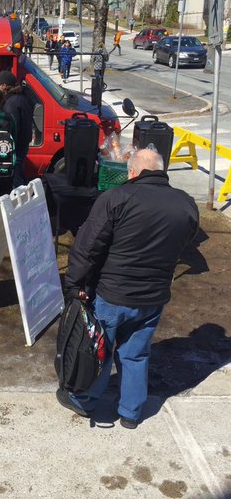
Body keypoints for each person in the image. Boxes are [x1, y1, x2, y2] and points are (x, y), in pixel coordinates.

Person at [56, 148, 199, 429]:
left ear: (132, 172)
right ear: (160, 170)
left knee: (98, 349)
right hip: (153, 296)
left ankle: (85, 401)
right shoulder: (186, 204)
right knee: (136, 353)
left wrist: (75, 285)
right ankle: (131, 413)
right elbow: (184, 243)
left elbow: (86, 248)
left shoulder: (116, 199)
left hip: (113, 293)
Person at [0, 70, 33, 188]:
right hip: (22, 142)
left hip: (15, 145)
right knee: (19, 171)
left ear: (5, 86)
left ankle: (19, 201)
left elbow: (11, 126)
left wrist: (6, 146)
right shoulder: (20, 97)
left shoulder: (11, 103)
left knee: (16, 176)